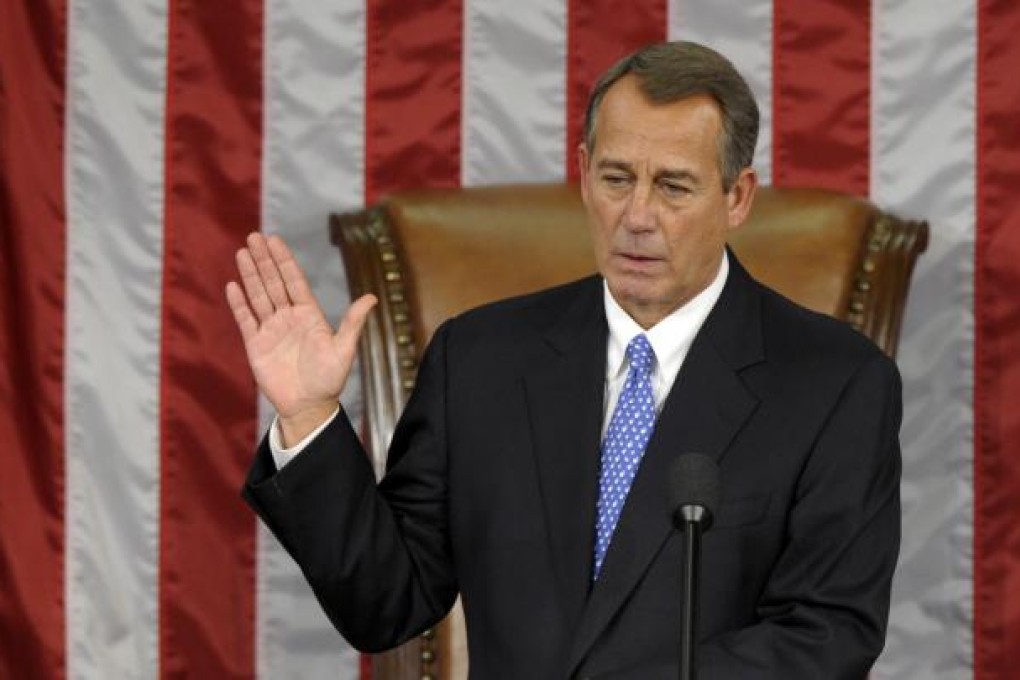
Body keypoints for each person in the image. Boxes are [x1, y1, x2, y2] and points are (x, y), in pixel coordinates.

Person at [227, 41, 901, 679]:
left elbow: (826, 637)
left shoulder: (836, 384)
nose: (637, 216)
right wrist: (310, 414)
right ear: (583, 174)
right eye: (616, 178)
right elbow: (386, 603)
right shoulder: (480, 360)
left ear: (737, 197)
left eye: (673, 187)